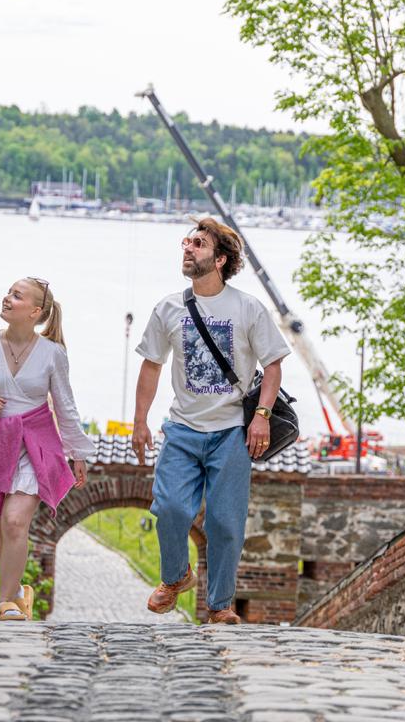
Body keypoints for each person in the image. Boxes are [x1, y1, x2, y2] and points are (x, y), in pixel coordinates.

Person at [133, 218, 290, 623]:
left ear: (220, 259)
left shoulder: (248, 308)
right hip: (182, 429)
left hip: (232, 434)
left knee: (225, 523)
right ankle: (176, 577)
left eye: (198, 244)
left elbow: (272, 365)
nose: (188, 249)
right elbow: (151, 367)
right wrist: (140, 422)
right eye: (187, 242)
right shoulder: (168, 308)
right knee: (169, 508)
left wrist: (261, 417)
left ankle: (219, 606)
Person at [0, 278, 93, 621]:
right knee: (1, 528)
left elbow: (65, 405)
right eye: (9, 292)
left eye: (16, 295)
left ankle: (5, 602)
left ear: (35, 312)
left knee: (15, 521)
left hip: (36, 445)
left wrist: (77, 453)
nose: (7, 298)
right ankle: (19, 592)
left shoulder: (52, 353)